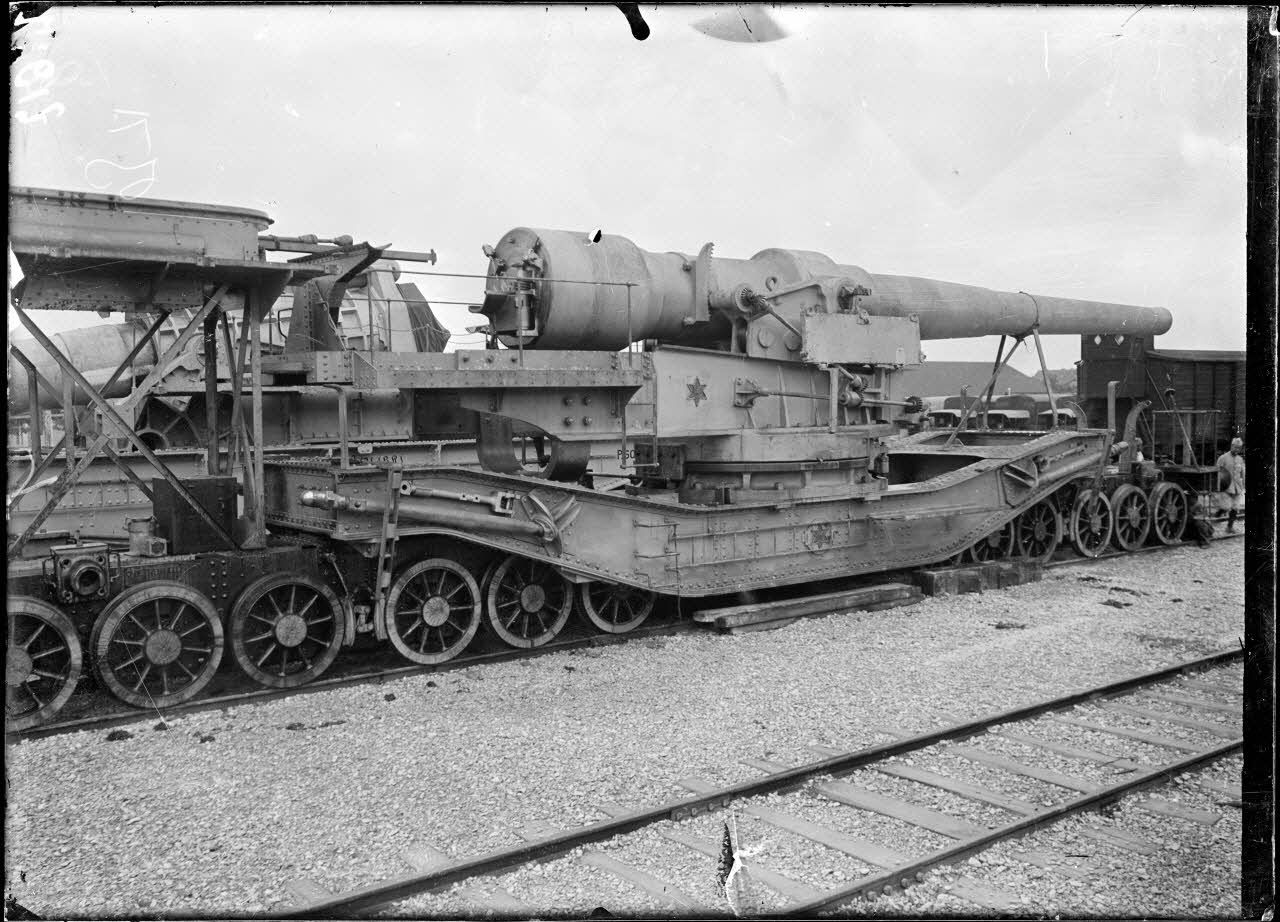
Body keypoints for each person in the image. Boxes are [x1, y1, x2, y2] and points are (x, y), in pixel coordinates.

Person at [1215, 437, 1245, 532]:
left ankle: (1229, 527)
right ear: (1231, 446)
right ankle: (1217, 515)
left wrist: (1243, 485)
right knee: (1226, 506)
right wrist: (1217, 486)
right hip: (1226, 487)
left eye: (1239, 448)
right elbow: (1217, 472)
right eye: (1235, 447)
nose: (1237, 449)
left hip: (1237, 487)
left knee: (1235, 507)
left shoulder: (1240, 459)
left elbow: (1243, 473)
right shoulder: (1223, 458)